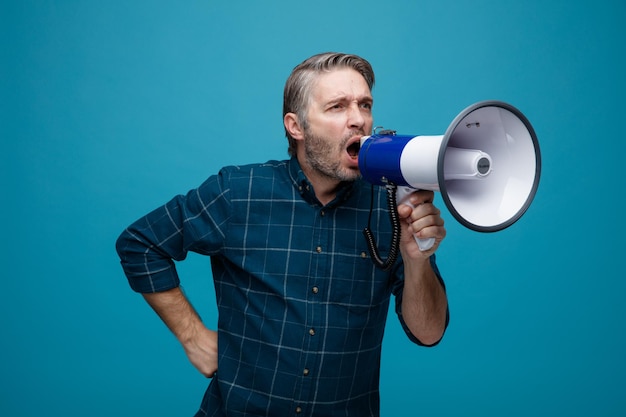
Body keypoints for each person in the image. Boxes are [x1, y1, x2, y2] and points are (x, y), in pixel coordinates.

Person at [116, 52, 449, 417]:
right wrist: (192, 336)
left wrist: (418, 261)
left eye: (365, 105)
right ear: (296, 126)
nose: (359, 120)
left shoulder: (390, 205)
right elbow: (140, 244)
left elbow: (428, 333)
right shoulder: (239, 192)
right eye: (337, 107)